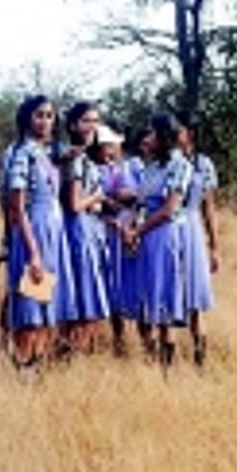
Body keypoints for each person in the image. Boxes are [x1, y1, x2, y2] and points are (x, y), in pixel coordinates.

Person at [5, 95, 76, 369]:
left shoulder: (45, 154)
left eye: (49, 115)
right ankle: (23, 367)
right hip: (34, 234)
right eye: (39, 115)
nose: (46, 121)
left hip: (53, 233)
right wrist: (33, 252)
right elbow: (17, 207)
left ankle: (38, 366)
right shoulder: (22, 154)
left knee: (48, 307)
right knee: (31, 308)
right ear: (26, 119)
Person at [125, 114, 193, 368]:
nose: (149, 138)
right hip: (146, 234)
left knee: (164, 296)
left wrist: (139, 230)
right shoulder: (151, 168)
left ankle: (168, 363)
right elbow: (139, 202)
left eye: (153, 133)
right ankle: (150, 357)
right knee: (146, 296)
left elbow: (169, 209)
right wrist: (130, 227)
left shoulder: (180, 166)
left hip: (164, 235)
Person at [59, 102, 110, 352]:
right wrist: (97, 197)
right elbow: (75, 204)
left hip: (85, 229)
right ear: (73, 125)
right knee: (86, 300)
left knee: (79, 299)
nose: (92, 126)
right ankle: (72, 354)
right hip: (78, 231)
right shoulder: (75, 159)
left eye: (96, 121)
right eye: (86, 121)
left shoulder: (82, 158)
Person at [177, 114, 219, 366]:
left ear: (190, 134)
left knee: (195, 298)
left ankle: (200, 357)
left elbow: (209, 208)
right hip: (165, 229)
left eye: (179, 131)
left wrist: (214, 246)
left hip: (191, 229)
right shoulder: (163, 162)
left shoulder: (203, 164)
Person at [94, 124, 138, 355]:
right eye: (102, 146)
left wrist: (132, 223)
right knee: (111, 286)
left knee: (136, 285)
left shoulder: (133, 167)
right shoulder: (94, 170)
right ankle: (117, 339)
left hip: (132, 234)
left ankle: (144, 339)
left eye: (111, 145)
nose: (107, 151)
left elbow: (143, 199)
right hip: (106, 233)